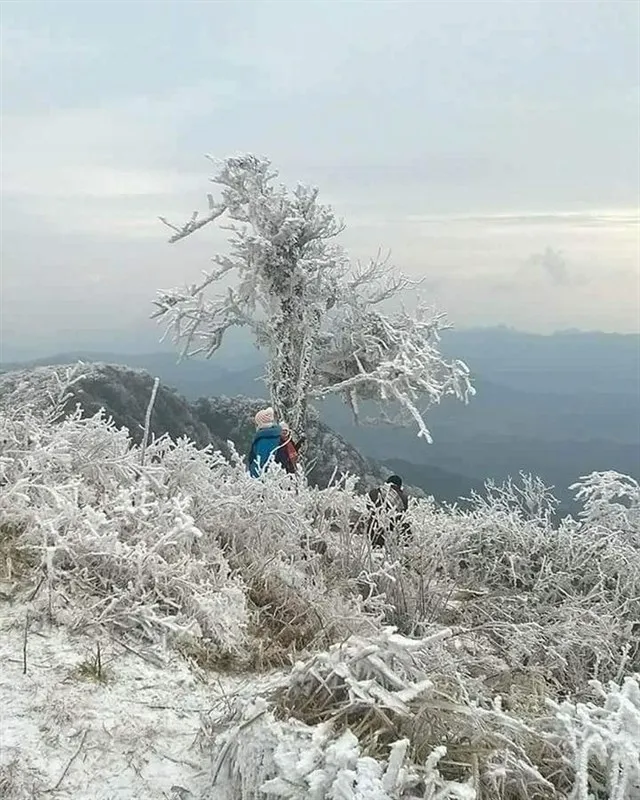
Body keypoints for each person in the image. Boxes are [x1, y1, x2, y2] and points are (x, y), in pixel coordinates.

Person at [365, 475, 410, 548]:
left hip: (372, 528)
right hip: (389, 533)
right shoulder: (403, 498)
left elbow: (368, 507)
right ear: (399, 486)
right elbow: (402, 516)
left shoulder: (375, 492)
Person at [247, 407, 292, 477]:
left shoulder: (263, 440)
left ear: (260, 424)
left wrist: (253, 477)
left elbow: (260, 463)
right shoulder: (276, 436)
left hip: (265, 480)